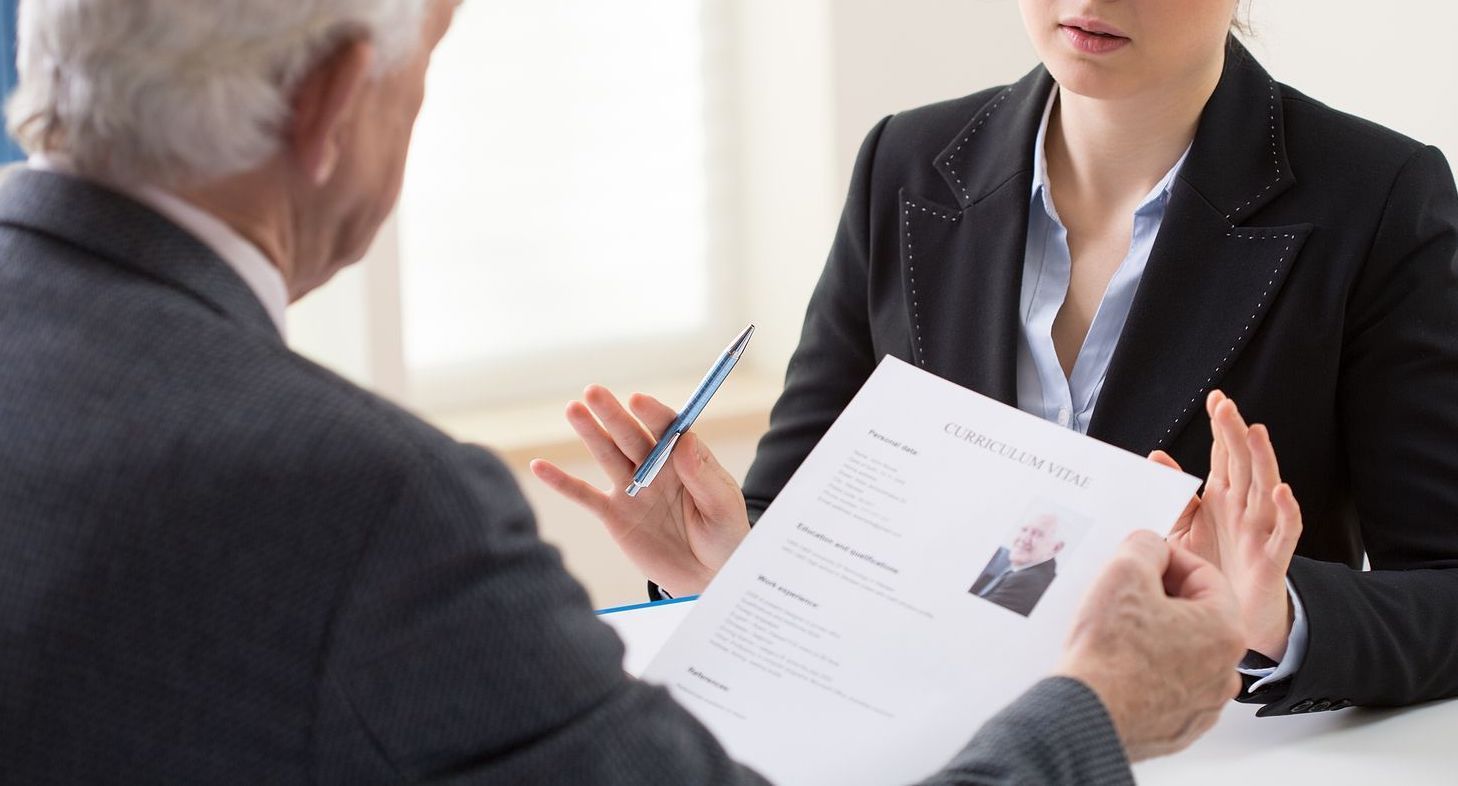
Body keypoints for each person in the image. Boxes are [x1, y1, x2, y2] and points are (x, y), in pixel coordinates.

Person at [0, 0, 1245, 783]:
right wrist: (1099, 709)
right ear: (329, 104)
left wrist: (742, 560)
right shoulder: (372, 507)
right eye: (422, 71)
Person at [534, 0, 1458, 718]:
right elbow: (794, 509)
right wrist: (726, 557)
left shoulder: (1378, 198)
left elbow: (1446, 593)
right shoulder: (906, 163)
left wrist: (1276, 618)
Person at [969, 514, 1064, 616]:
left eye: (1038, 534)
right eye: (1024, 530)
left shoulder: (1028, 581)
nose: (1024, 538)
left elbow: (976, 614)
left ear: (1055, 548)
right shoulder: (1019, 564)